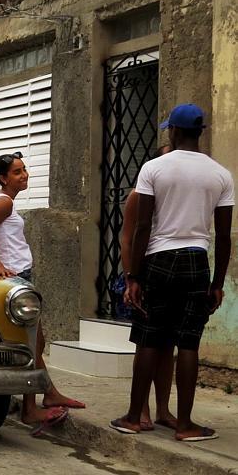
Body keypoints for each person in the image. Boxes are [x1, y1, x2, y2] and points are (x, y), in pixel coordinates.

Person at [111, 104, 234, 442]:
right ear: (200, 132)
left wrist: (133, 276)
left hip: (159, 260)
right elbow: (223, 236)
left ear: (175, 132)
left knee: (150, 336)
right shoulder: (221, 174)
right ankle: (185, 424)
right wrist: (218, 283)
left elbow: (143, 226)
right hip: (197, 260)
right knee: (189, 341)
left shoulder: (154, 168)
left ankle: (134, 417)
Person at [0, 151, 85, 433]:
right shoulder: (3, 204)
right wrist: (0, 266)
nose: (23, 175)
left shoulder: (5, 202)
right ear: (3, 178)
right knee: (30, 342)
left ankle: (47, 393)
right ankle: (30, 407)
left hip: (20, 275)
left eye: (24, 170)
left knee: (36, 341)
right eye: (16, 172)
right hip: (16, 278)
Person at [120, 144, 177, 431]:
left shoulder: (177, 197)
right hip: (144, 276)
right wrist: (132, 276)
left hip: (167, 274)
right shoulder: (138, 195)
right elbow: (127, 237)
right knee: (146, 345)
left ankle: (163, 410)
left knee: (168, 347)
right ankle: (140, 409)